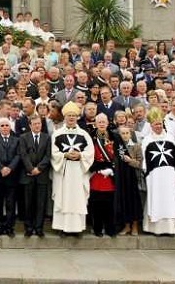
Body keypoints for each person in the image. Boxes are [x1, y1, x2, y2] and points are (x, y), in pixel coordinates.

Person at [51, 101, 95, 236]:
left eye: (74, 116)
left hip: (78, 171)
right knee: (63, 198)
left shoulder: (84, 134)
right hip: (64, 170)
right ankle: (62, 227)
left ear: (77, 117)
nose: (71, 118)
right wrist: (65, 154)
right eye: (69, 115)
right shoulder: (57, 134)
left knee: (77, 199)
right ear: (64, 117)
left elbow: (90, 152)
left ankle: (77, 228)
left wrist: (80, 155)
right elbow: (53, 152)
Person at [142, 108, 175, 235]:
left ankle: (169, 229)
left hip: (169, 175)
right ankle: (154, 229)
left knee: (169, 200)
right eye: (155, 124)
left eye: (160, 123)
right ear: (151, 126)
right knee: (156, 199)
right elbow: (144, 159)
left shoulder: (170, 138)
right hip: (154, 176)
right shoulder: (147, 140)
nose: (158, 126)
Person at [18, 114, 51, 238]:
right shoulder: (23, 137)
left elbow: (48, 156)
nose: (37, 126)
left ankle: (39, 228)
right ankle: (29, 227)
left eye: (39, 124)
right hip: (28, 175)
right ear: (30, 125)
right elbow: (23, 155)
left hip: (41, 175)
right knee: (28, 203)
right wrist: (31, 169)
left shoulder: (47, 138)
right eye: (35, 124)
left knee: (41, 203)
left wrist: (39, 169)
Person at [0, 118, 21, 238]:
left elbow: (18, 155)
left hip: (11, 176)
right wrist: (1, 168)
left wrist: (10, 168)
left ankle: (9, 227)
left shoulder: (17, 140)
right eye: (2, 125)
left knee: (10, 204)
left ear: (10, 127)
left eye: (7, 125)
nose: (5, 127)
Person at [89, 113, 116, 237]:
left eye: (103, 122)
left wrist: (112, 169)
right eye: (99, 122)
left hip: (110, 176)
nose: (101, 124)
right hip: (96, 175)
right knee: (96, 204)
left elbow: (118, 155)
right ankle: (97, 228)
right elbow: (88, 156)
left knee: (109, 204)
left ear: (107, 123)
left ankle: (110, 228)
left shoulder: (114, 136)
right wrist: (98, 169)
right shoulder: (90, 137)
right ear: (95, 124)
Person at [114, 126, 142, 236]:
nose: (125, 135)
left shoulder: (136, 146)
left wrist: (130, 160)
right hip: (121, 178)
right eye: (122, 133)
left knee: (133, 202)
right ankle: (126, 226)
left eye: (127, 133)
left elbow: (139, 164)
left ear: (130, 134)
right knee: (123, 201)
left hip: (132, 178)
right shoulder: (117, 147)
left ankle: (134, 226)